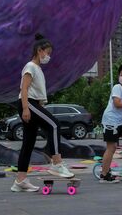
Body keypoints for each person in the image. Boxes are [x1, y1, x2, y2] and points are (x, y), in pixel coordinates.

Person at [11, 34, 74, 193]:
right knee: (54, 125)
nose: (49, 56)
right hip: (28, 103)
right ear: (39, 50)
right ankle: (57, 163)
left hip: (33, 104)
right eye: (47, 52)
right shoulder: (30, 66)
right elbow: (23, 89)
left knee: (28, 143)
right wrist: (26, 108)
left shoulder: (38, 69)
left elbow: (36, 94)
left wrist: (37, 108)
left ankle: (20, 180)